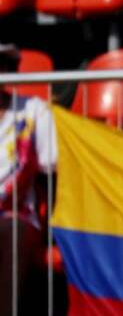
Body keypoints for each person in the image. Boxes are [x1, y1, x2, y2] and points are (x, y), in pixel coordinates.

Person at [0, 43, 57, 310]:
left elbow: (54, 163)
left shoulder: (34, 110)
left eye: (3, 64)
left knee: (10, 229)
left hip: (17, 215)